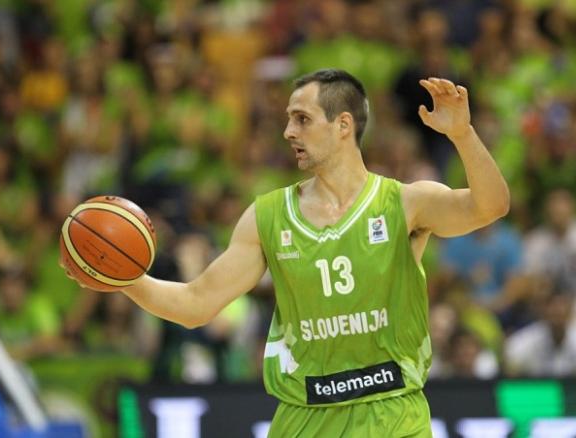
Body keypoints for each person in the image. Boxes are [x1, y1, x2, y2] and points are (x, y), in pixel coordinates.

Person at [61, 69, 510, 437]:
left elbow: (490, 206)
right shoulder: (268, 216)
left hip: (391, 412)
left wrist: (463, 135)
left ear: (343, 125)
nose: (287, 131)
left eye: (301, 119)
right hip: (303, 416)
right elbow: (196, 305)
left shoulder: (405, 203)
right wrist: (124, 279)